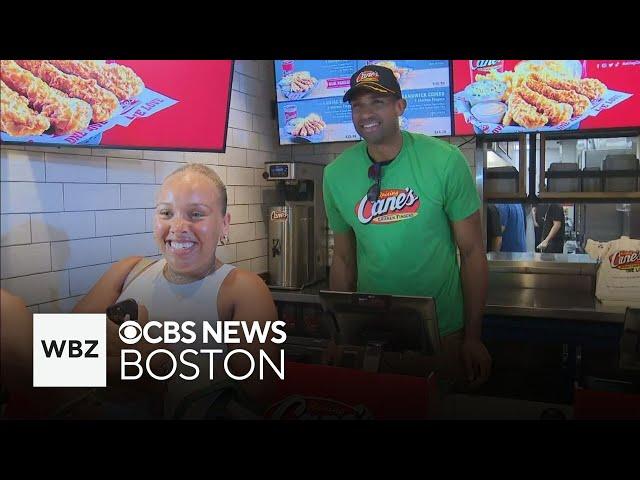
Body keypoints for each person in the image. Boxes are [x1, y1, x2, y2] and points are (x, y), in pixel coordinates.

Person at [323, 65, 491, 389]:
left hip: (442, 332)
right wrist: (338, 335)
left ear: (400, 106)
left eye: (377, 102)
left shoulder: (444, 160)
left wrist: (473, 336)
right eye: (357, 105)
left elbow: (472, 252)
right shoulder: (335, 175)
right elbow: (343, 258)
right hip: (372, 333)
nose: (366, 113)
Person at [73, 163, 279, 418]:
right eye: (166, 213)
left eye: (196, 214)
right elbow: (55, 355)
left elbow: (257, 398)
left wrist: (154, 371)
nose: (178, 227)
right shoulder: (128, 271)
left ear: (224, 224)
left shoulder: (243, 290)